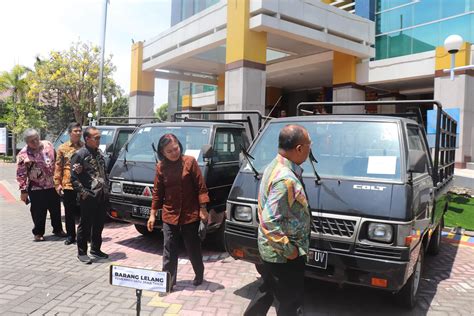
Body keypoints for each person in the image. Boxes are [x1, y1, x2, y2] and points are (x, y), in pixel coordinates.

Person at [244, 125, 312, 316]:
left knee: (267, 290)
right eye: (309, 144)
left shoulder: (274, 165)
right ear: (299, 148)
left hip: (271, 249)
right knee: (290, 301)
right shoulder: (286, 179)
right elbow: (269, 222)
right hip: (283, 254)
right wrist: (290, 251)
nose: (310, 147)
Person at [147, 133, 210, 290]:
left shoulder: (190, 162)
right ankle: (168, 282)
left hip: (190, 214)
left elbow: (201, 187)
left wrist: (203, 208)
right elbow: (157, 192)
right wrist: (153, 214)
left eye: (176, 148)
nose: (174, 153)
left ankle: (199, 273)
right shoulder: (161, 167)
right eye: (169, 151)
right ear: (162, 153)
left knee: (192, 247)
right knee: (169, 248)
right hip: (170, 214)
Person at [16, 128, 66, 241]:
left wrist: (60, 180)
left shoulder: (48, 145)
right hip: (36, 187)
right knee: (38, 212)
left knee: (55, 209)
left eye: (36, 139)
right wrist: (23, 191)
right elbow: (21, 174)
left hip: (52, 185)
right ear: (26, 142)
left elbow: (58, 162)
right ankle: (38, 233)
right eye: (31, 141)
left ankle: (58, 229)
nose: (35, 142)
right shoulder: (23, 154)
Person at [70, 126, 109, 264]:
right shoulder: (79, 155)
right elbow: (74, 178)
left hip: (102, 195)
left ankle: (96, 249)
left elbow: (104, 172)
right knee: (85, 224)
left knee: (99, 224)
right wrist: (84, 193)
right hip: (89, 196)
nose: (99, 140)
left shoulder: (98, 153)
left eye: (99, 138)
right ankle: (82, 252)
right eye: (96, 138)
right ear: (87, 139)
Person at [54, 122, 83, 245]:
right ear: (69, 133)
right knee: (69, 211)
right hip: (68, 184)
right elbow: (58, 166)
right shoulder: (62, 148)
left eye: (79, 130)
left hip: (83, 185)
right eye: (75, 131)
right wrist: (57, 183)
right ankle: (71, 235)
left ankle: (84, 235)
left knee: (84, 211)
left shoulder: (85, 147)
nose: (78, 133)